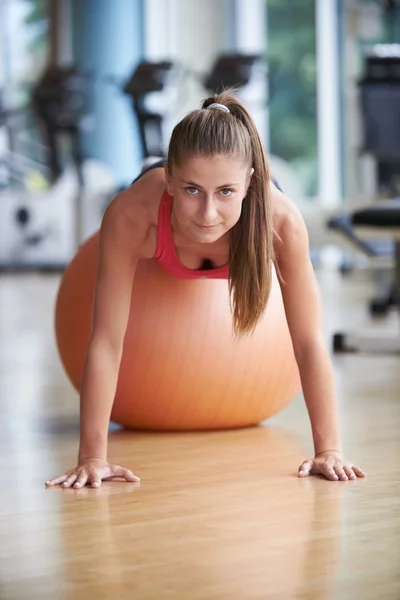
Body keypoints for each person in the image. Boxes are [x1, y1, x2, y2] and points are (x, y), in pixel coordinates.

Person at [46, 91, 366, 489]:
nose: (208, 214)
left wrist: (328, 450)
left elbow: (308, 341)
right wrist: (93, 458)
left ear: (249, 183)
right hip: (156, 198)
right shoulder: (132, 214)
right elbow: (107, 341)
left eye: (225, 192)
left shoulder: (282, 223)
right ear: (171, 180)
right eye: (192, 189)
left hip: (257, 204)